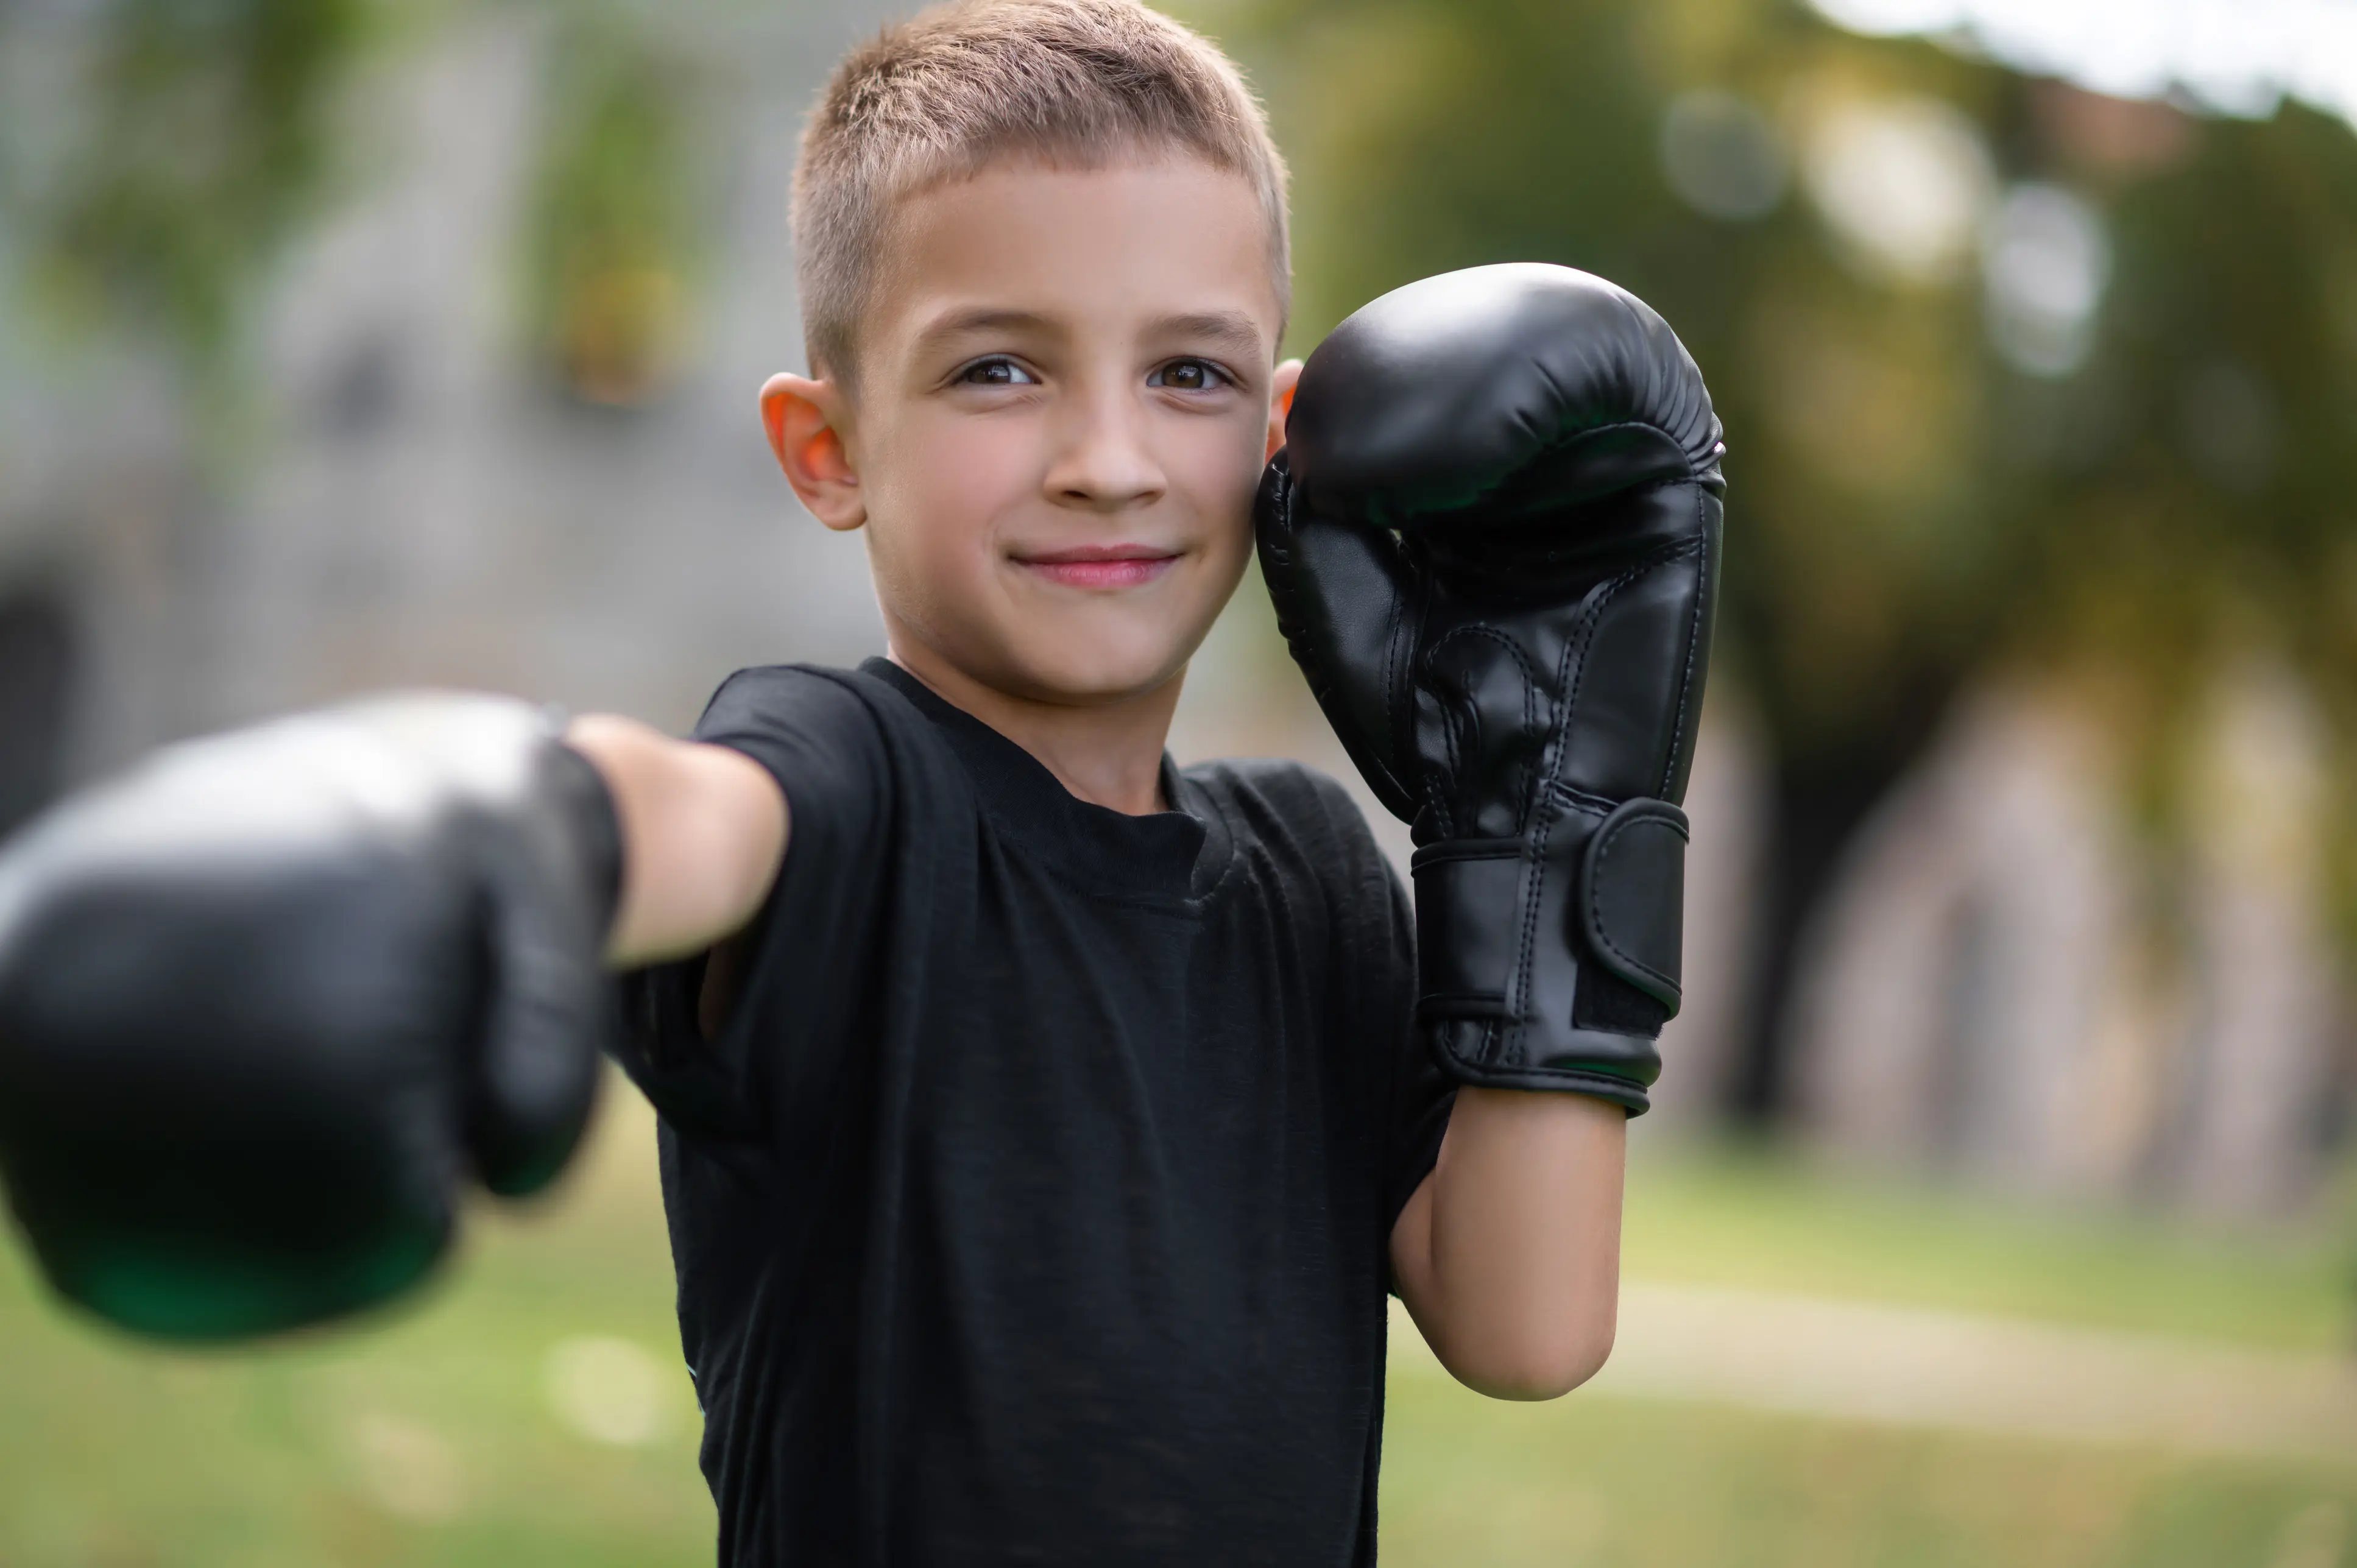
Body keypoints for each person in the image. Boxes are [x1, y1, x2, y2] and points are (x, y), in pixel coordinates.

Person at [0, 1, 1723, 1561]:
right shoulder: (854, 780)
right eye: (998, 367)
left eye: (1185, 373)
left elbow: (1524, 1328)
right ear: (829, 450)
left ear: (1280, 444)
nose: (1106, 458)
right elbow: (690, 814)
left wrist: (1547, 828)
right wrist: (519, 826)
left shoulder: (1313, 868)